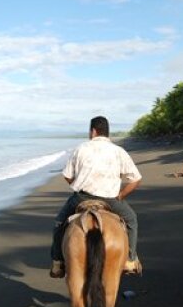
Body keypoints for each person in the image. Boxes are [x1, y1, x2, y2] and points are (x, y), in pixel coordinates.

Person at [49, 116, 143, 278]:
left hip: (82, 197)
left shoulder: (81, 148)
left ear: (93, 131)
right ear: (107, 132)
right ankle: (130, 259)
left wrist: (76, 184)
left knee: (59, 222)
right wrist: (121, 195)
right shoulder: (118, 151)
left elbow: (67, 175)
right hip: (110, 200)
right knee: (132, 220)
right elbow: (136, 179)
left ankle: (58, 263)